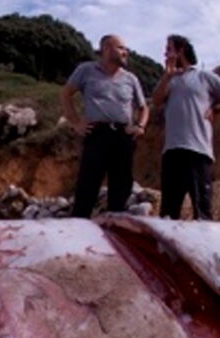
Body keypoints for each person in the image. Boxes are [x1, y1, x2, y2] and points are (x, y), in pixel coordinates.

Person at [152, 35, 220, 220]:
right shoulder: (169, 81)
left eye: (169, 48)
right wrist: (168, 75)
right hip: (172, 152)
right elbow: (156, 100)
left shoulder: (205, 76)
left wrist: (215, 109)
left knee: (202, 211)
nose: (165, 53)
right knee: (168, 215)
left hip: (198, 152)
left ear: (181, 50)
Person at [61, 35, 150, 218]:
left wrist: (140, 126)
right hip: (97, 134)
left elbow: (143, 108)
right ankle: (78, 232)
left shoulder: (130, 78)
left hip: (123, 136)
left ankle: (114, 233)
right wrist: (76, 122)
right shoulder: (86, 70)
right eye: (122, 48)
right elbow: (66, 93)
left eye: (126, 49)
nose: (126, 52)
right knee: (87, 185)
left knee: (122, 187)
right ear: (107, 49)